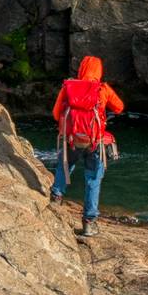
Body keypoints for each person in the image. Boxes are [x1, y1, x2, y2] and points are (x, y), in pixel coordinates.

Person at [51, 54, 123, 232]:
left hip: (71, 140)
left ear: (81, 69)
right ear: (99, 71)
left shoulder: (68, 86)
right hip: (94, 142)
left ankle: (56, 199)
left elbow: (55, 114)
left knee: (64, 165)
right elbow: (120, 107)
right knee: (93, 179)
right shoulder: (103, 89)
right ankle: (89, 224)